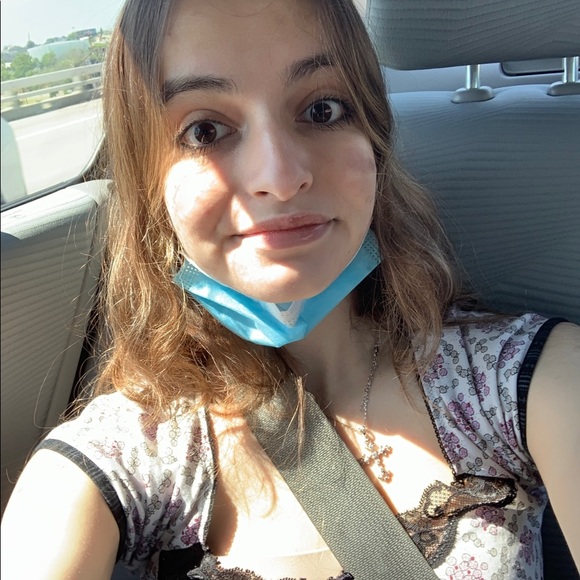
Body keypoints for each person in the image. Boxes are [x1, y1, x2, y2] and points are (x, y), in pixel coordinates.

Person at [1, 0, 579, 578]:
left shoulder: (524, 380)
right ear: (150, 185)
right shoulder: (130, 449)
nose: (278, 178)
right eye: (205, 131)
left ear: (375, 144)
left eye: (323, 110)